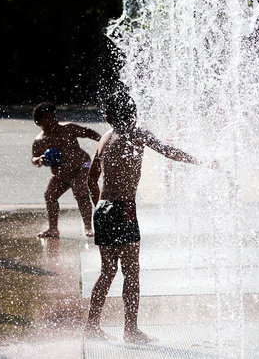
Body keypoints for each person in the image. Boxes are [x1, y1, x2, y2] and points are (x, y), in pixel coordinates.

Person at [84, 92, 204, 343]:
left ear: (107, 117)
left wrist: (99, 207)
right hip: (124, 209)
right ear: (135, 115)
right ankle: (131, 330)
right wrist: (200, 161)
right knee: (131, 272)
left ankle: (92, 326)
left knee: (107, 271)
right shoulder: (138, 133)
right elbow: (168, 151)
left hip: (104, 209)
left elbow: (90, 179)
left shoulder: (104, 139)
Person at [31, 102, 102, 238]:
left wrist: (103, 141)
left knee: (80, 190)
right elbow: (33, 159)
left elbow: (87, 132)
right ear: (38, 122)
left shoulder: (67, 128)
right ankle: (53, 229)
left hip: (82, 166)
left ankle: (88, 227)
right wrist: (40, 159)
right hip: (61, 175)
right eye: (48, 118)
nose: (53, 120)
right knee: (49, 196)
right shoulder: (39, 141)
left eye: (54, 117)